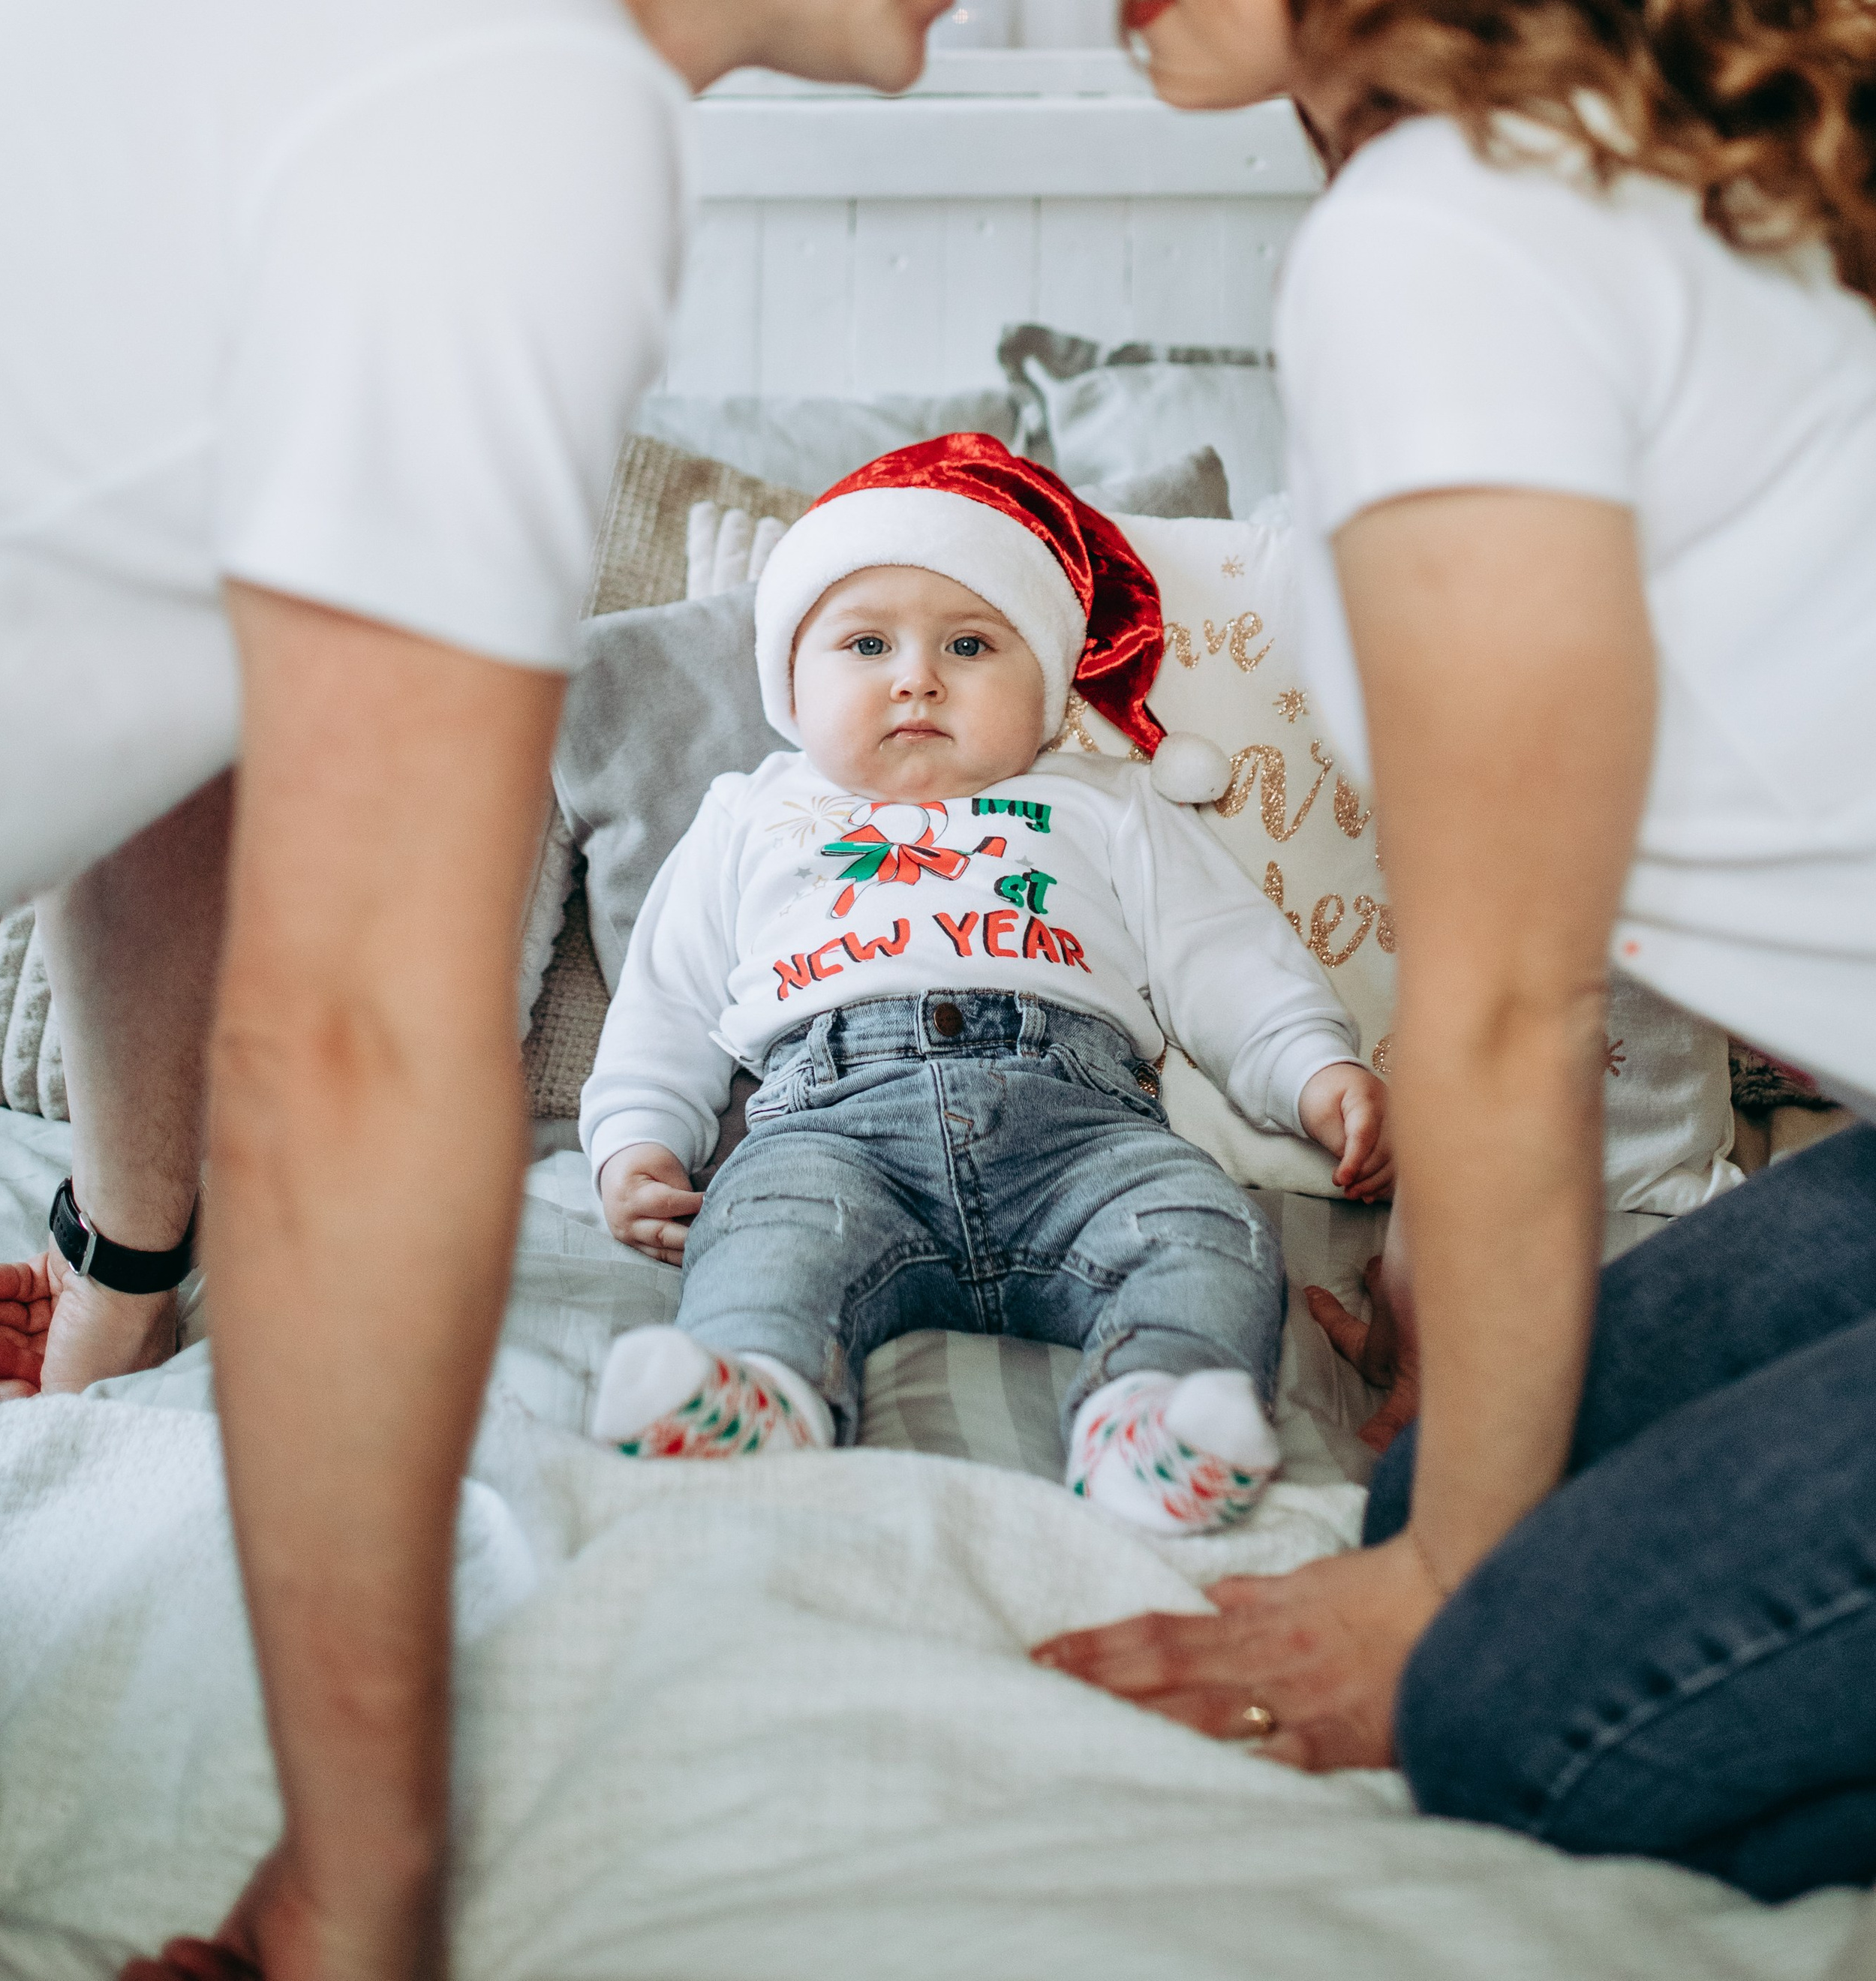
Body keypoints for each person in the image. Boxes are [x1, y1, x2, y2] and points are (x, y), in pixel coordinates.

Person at [0, 0, 1064, 1977]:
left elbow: (194, 694)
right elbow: (359, 1041)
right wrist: (368, 1881)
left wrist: (128, 1284)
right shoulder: (504, 77)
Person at [1023, 0, 1876, 1899]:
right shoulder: (1633, 133)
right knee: (1443, 1474)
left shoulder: (1445, 235)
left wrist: (1426, 1605)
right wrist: (1438, 1493)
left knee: (1517, 1702)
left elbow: (1499, 1009)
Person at [582, 434, 1389, 1525]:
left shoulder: (1104, 802)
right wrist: (636, 1138)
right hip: (829, 1130)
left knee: (1204, 1228)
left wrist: (1311, 1067)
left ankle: (1151, 1416)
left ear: (1049, 690)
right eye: (865, 644)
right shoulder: (751, 811)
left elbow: (1224, 952)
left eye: (969, 643)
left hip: (1084, 1132)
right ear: (789, 680)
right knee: (761, 1235)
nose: (917, 677)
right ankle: (758, 1391)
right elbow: (667, 996)